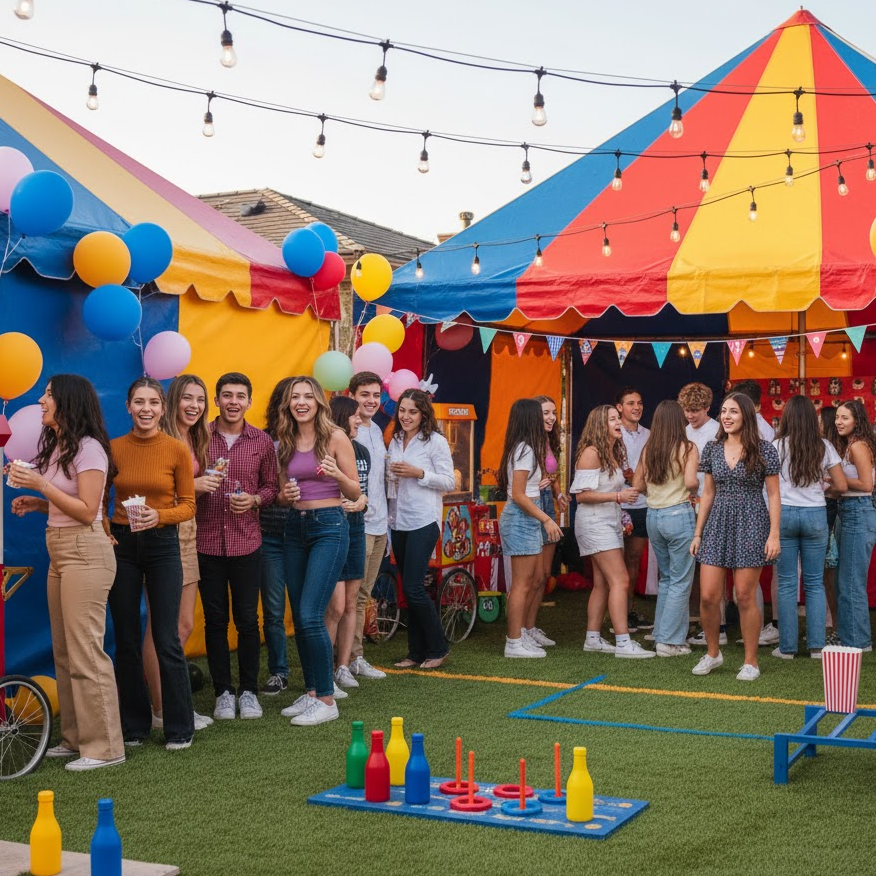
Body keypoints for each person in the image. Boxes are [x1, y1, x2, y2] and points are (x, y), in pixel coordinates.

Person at [9, 374, 124, 771]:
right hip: (60, 549)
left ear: (68, 403)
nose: (41, 401)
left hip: (85, 553)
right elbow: (68, 502)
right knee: (64, 649)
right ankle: (75, 738)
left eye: (48, 395)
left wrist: (41, 485)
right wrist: (40, 504)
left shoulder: (90, 448)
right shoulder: (60, 444)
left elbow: (89, 510)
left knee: (85, 651)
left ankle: (105, 747)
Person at [107, 377, 196, 749]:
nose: (146, 409)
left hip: (162, 545)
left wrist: (159, 518)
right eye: (139, 402)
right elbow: (99, 498)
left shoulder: (176, 450)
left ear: (163, 408)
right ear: (128, 406)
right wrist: (104, 527)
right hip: (122, 544)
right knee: (126, 639)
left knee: (167, 638)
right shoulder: (111, 448)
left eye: (153, 403)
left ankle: (179, 727)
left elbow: (189, 505)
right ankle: (136, 726)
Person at [276, 376, 359, 726]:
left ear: (319, 401)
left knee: (312, 614)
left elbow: (354, 492)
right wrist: (285, 497)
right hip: (295, 527)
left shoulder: (336, 437)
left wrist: (337, 474)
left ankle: (326, 698)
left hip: (329, 525)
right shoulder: (284, 440)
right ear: (288, 404)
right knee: (300, 614)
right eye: (294, 397)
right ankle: (312, 691)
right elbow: (281, 493)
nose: (300, 402)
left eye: (307, 396)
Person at [196, 372, 278, 721]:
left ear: (249, 401)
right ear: (216, 400)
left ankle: (248, 691)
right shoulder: (199, 437)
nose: (233, 401)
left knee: (247, 620)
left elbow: (272, 487)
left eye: (240, 396)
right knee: (215, 621)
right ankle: (223, 693)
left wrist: (256, 500)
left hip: (247, 543)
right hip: (206, 542)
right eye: (226, 395)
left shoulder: (261, 441)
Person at [143, 374, 216, 732]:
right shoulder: (161, 439)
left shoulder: (193, 437)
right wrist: (197, 485)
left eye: (200, 400)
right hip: (164, 535)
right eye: (188, 398)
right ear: (173, 401)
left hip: (188, 533)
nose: (194, 405)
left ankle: (168, 703)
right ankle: (160, 710)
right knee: (164, 627)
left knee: (182, 625)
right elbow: (151, 494)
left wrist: (202, 486)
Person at [690, 392, 780, 681]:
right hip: (717, 523)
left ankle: (751, 661)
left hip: (752, 521)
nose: (727, 416)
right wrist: (698, 533)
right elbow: (707, 493)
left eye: (734, 412)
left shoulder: (765, 449)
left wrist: (774, 534)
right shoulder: (712, 448)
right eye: (724, 411)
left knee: (743, 595)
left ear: (746, 417)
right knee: (707, 597)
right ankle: (713, 654)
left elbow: (775, 495)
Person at [572, 405, 654, 658]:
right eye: (612, 419)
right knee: (620, 580)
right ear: (600, 424)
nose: (618, 422)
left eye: (618, 418)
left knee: (603, 584)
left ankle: (593, 638)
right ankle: (622, 642)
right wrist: (618, 496)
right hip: (595, 523)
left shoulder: (610, 451)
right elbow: (581, 496)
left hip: (609, 521)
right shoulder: (591, 453)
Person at [772, 395, 845, 659]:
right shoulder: (824, 446)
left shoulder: (776, 445)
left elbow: (767, 486)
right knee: (815, 583)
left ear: (787, 417)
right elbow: (842, 485)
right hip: (816, 514)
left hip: (785, 515)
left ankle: (787, 648)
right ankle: (817, 647)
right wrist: (823, 486)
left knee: (788, 583)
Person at [386, 389, 455, 669]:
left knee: (414, 587)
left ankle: (438, 647)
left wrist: (419, 474)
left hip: (423, 521)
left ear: (424, 413)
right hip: (397, 520)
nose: (406, 416)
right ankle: (415, 653)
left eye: (412, 411)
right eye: (402, 410)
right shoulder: (395, 439)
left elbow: (449, 481)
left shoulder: (435, 442)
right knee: (408, 588)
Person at [632, 401, 699, 656]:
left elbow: (637, 484)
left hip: (653, 515)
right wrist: (695, 489)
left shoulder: (649, 448)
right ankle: (668, 642)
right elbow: (692, 481)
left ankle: (664, 634)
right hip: (679, 514)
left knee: (668, 579)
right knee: (681, 579)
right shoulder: (688, 447)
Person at [498, 399, 563, 658]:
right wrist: (546, 519)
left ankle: (521, 634)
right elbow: (519, 495)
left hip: (528, 517)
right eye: (541, 414)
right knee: (521, 585)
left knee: (532, 579)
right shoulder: (524, 449)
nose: (546, 418)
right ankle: (513, 641)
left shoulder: (528, 447)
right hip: (521, 517)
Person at [325, 395, 370, 688]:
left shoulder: (363, 450)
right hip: (332, 525)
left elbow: (363, 490)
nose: (359, 420)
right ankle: (324, 669)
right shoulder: (326, 446)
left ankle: (343, 666)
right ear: (342, 417)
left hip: (357, 526)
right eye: (355, 415)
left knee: (352, 602)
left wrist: (362, 500)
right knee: (335, 606)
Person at [347, 371, 389, 681]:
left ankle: (355, 657)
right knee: (349, 597)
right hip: (355, 524)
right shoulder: (345, 430)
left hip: (379, 524)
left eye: (376, 395)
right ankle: (345, 659)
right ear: (352, 396)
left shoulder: (376, 429)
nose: (371, 400)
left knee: (364, 595)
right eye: (365, 394)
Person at [677, 382, 725, 647]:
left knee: (714, 566)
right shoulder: (682, 432)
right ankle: (697, 620)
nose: (691, 415)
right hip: (687, 503)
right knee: (692, 567)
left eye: (696, 410)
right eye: (687, 410)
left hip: (713, 504)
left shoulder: (718, 431)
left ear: (707, 407)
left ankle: (722, 625)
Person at [733, 379, 779, 645]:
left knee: (748, 580)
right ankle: (757, 627)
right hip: (742, 508)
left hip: (755, 508)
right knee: (745, 581)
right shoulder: (726, 438)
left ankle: (759, 629)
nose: (731, 413)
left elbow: (772, 489)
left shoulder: (761, 436)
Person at [259, 377, 295, 698]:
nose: (295, 405)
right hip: (269, 533)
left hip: (303, 532)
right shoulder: (262, 440)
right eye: (289, 399)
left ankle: (316, 675)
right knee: (273, 609)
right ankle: (279, 672)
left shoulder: (315, 440)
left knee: (305, 609)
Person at [833, 399, 876, 651]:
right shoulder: (851, 444)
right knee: (846, 580)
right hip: (849, 511)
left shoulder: (858, 445)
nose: (839, 421)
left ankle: (858, 641)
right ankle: (851, 637)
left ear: (857, 421)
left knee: (851, 582)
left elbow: (867, 485)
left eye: (845, 418)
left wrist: (836, 480)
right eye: (837, 417)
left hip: (858, 512)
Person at [526, 395, 569, 647]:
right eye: (545, 413)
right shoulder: (524, 443)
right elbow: (512, 482)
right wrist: (536, 486)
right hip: (531, 506)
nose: (551, 417)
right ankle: (518, 630)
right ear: (534, 415)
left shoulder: (547, 440)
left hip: (547, 506)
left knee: (543, 574)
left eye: (554, 412)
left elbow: (552, 474)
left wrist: (558, 493)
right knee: (530, 576)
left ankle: (530, 628)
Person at [615, 387, 652, 632]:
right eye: (630, 403)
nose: (636, 407)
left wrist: (641, 478)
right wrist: (622, 474)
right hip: (615, 505)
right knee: (614, 563)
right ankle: (615, 615)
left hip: (641, 504)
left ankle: (628, 612)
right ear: (620, 407)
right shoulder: (613, 431)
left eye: (639, 402)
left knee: (633, 560)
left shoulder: (649, 434)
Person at [819, 406, 841, 645]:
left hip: (832, 511)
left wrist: (826, 486)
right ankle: (829, 625)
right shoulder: (825, 448)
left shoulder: (831, 448)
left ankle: (835, 626)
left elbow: (841, 484)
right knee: (826, 575)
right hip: (827, 509)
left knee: (830, 575)